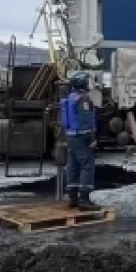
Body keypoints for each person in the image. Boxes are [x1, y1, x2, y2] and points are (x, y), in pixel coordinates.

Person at [59, 71, 99, 210]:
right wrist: (92, 139)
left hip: (71, 136)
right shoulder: (83, 99)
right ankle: (84, 200)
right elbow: (86, 120)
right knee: (87, 166)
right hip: (82, 137)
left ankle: (73, 198)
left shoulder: (70, 98)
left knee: (73, 166)